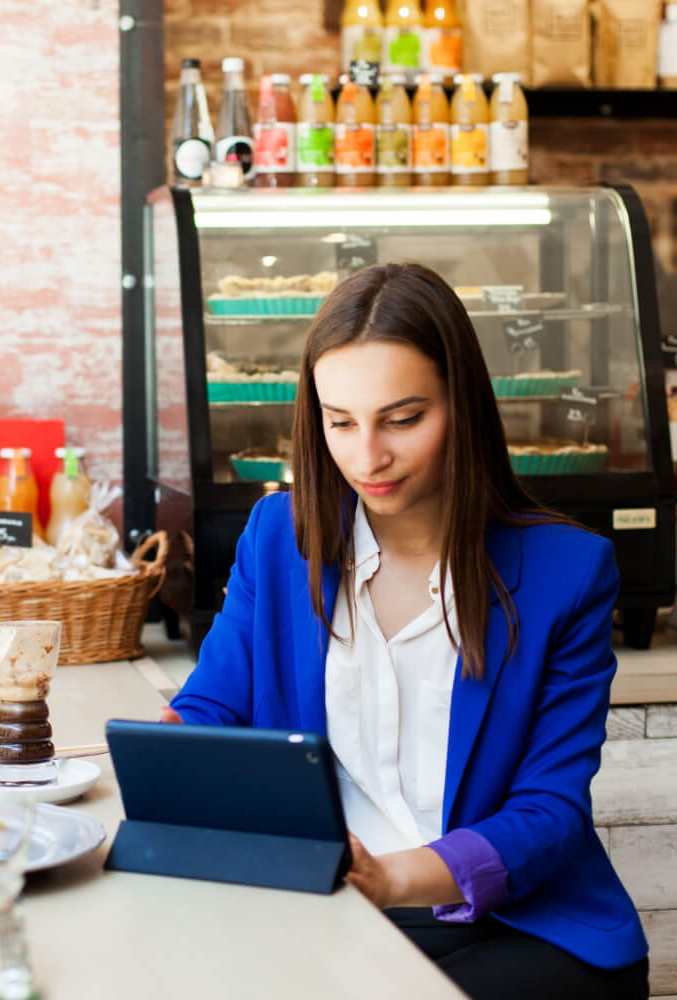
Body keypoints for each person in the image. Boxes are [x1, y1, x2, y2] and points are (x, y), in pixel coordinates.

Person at [164, 263, 649, 999]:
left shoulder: (569, 573)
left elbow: (550, 813)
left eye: (402, 418)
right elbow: (214, 708)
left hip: (511, 919)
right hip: (324, 906)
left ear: (464, 406)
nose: (368, 458)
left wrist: (390, 879)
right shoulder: (276, 537)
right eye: (340, 423)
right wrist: (170, 748)